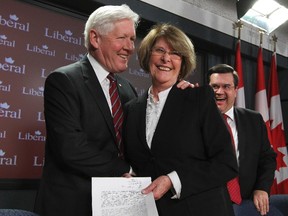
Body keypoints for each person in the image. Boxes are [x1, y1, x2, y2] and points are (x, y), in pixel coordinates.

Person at [34, 5, 193, 216]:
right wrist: (126, 170)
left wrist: (178, 97)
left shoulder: (126, 88)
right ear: (95, 38)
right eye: (122, 38)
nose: (130, 47)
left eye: (132, 39)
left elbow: (142, 140)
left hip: (118, 206)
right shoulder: (64, 81)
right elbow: (70, 148)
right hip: (72, 205)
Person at [123, 23, 239, 216]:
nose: (166, 58)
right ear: (147, 55)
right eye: (159, 50)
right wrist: (131, 174)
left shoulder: (199, 98)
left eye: (175, 53)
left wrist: (173, 180)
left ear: (183, 62)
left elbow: (226, 164)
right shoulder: (131, 109)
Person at [207, 64, 279, 216]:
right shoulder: (196, 121)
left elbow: (267, 159)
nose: (219, 92)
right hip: (209, 204)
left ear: (235, 90)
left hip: (246, 201)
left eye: (226, 86)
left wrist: (262, 188)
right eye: (214, 86)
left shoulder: (254, 120)